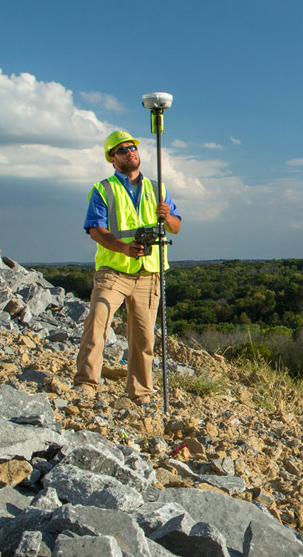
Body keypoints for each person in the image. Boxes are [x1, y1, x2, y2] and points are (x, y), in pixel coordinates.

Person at [73, 130, 181, 404]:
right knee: (98, 321)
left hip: (149, 274)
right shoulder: (103, 189)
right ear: (112, 159)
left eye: (133, 147)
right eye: (122, 150)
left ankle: (141, 393)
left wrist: (167, 217)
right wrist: (123, 247)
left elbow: (176, 227)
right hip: (114, 271)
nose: (130, 151)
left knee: (144, 339)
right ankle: (86, 384)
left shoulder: (158, 188)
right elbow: (95, 230)